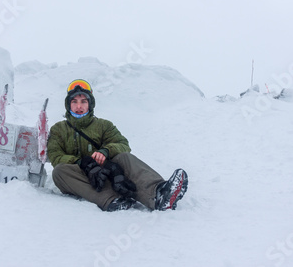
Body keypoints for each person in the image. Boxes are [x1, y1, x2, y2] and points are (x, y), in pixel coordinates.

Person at [47, 79, 188, 212]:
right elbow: (55, 155)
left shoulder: (104, 125)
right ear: (68, 104)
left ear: (90, 104)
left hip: (107, 173)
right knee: (59, 172)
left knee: (125, 157)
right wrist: (81, 162)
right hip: (80, 179)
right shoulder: (58, 129)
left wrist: (106, 152)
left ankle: (159, 193)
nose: (79, 106)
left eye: (84, 101)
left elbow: (122, 144)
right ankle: (113, 201)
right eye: (74, 102)